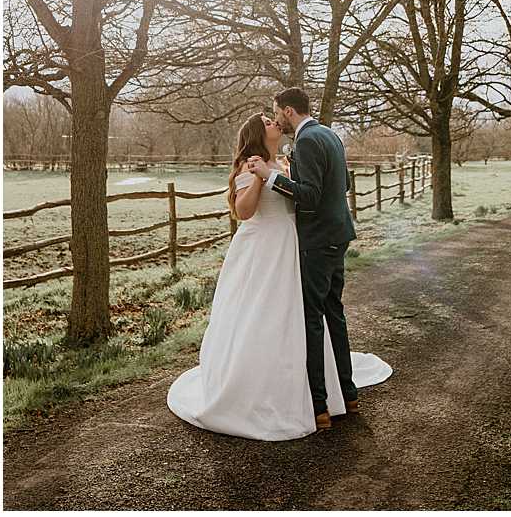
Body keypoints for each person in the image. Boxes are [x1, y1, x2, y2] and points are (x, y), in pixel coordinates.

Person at [167, 96, 391, 440]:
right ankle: (299, 393)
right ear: (259, 133)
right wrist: (260, 177)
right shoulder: (252, 165)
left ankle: (321, 395)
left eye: (274, 116)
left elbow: (308, 194)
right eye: (267, 122)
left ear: (288, 111)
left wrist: (273, 174)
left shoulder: (289, 158)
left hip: (292, 245)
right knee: (271, 316)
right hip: (265, 249)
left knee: (301, 317)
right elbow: (243, 212)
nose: (274, 122)